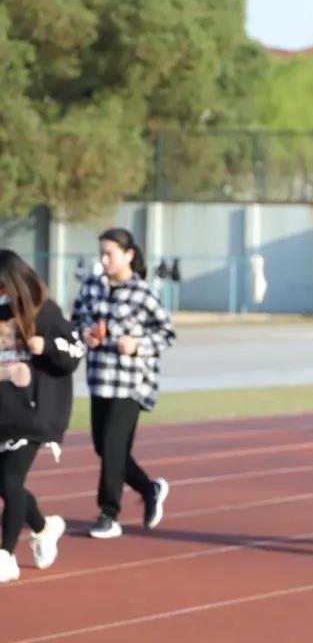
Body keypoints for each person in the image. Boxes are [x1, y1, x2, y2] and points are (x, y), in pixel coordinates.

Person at [71, 229, 176, 539]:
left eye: (110, 254)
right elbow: (74, 323)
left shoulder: (143, 293)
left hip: (131, 383)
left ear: (129, 255)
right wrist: (85, 334)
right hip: (99, 379)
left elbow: (166, 333)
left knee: (113, 446)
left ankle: (108, 513)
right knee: (104, 448)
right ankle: (149, 488)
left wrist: (137, 345)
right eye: (101, 254)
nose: (104, 260)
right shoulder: (91, 287)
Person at [0, 251, 85, 582]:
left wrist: (46, 345)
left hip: (35, 415)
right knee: (5, 483)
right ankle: (44, 526)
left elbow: (74, 352)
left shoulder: (44, 311)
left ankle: (6, 555)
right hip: (4, 412)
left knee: (10, 480)